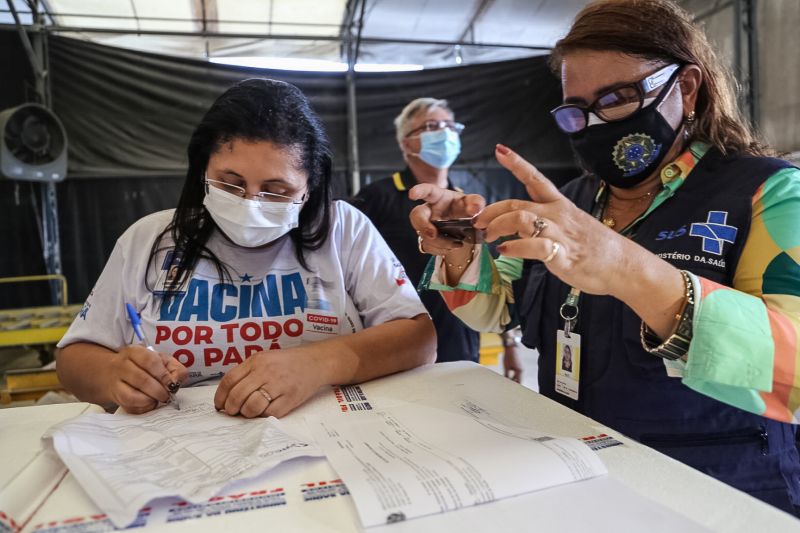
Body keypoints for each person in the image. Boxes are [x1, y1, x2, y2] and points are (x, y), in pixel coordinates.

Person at [411, 0, 800, 513]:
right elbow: (497, 307)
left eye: (619, 97)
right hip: (577, 475)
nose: (596, 123)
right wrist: (461, 254)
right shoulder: (570, 200)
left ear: (685, 88)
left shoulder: (768, 192)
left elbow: (794, 372)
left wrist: (623, 267)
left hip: (720, 492)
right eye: (578, 109)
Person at [56, 78, 436, 419]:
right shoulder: (150, 238)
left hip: (325, 436)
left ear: (310, 187)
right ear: (202, 171)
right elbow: (73, 359)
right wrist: (114, 376)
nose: (251, 203)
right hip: (180, 445)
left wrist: (318, 363)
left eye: (276, 191)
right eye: (230, 183)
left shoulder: (342, 229)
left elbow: (418, 339)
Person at [350, 98, 524, 380]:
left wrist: (510, 343)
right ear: (407, 144)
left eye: (449, 126)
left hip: (462, 345)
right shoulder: (375, 199)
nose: (443, 133)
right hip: (397, 349)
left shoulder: (472, 203)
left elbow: (495, 275)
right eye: (431, 126)